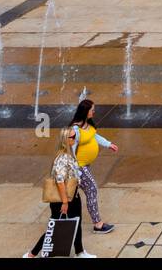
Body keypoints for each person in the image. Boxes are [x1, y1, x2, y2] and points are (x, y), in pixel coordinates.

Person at [25, 127, 94, 258]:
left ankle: (80, 252)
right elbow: (59, 180)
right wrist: (65, 201)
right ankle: (32, 254)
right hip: (63, 199)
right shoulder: (62, 158)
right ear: (65, 140)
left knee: (77, 223)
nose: (75, 139)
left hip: (73, 196)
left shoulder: (70, 154)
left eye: (75, 137)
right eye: (72, 137)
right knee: (55, 228)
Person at [68, 99, 117, 234]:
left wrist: (108, 144)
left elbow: (95, 136)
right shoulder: (74, 130)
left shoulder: (87, 125)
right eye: (92, 110)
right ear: (85, 112)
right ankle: (98, 224)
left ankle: (67, 216)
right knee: (92, 189)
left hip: (85, 166)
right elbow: (69, 150)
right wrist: (75, 170)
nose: (94, 112)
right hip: (79, 167)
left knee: (75, 193)